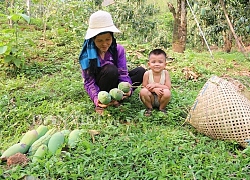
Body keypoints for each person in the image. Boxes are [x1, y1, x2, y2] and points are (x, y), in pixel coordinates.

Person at [79, 10, 145, 114]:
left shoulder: (118, 50)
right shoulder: (87, 56)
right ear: (93, 40)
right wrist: (97, 98)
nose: (104, 44)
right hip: (101, 85)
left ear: (112, 37)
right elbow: (89, 81)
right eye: (100, 41)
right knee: (110, 69)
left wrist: (127, 88)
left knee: (141, 71)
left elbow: (123, 73)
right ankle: (104, 104)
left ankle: (117, 98)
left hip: (115, 82)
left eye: (107, 39)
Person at [139, 49, 171, 116]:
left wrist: (156, 85)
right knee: (143, 92)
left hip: (161, 98)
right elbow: (144, 86)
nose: (157, 64)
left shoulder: (166, 73)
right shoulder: (147, 74)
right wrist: (154, 89)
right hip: (150, 98)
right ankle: (149, 108)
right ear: (149, 64)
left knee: (167, 92)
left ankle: (162, 108)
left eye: (160, 62)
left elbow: (168, 87)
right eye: (153, 62)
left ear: (165, 64)